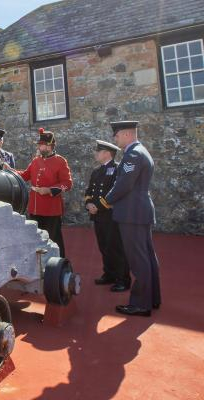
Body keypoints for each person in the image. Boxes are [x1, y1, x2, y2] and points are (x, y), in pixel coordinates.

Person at [102, 121, 161, 317]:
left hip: (132, 213)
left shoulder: (133, 154)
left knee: (138, 260)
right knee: (147, 257)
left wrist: (106, 201)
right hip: (138, 211)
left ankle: (141, 304)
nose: (115, 139)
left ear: (127, 134)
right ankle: (152, 298)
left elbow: (124, 184)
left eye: (117, 135)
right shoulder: (141, 151)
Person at [14, 128, 73, 258]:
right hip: (35, 208)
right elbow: (24, 175)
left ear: (49, 146)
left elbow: (67, 183)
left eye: (41, 144)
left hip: (51, 209)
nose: (39, 147)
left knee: (53, 240)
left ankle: (59, 266)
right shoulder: (36, 160)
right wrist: (10, 170)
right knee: (37, 240)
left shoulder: (60, 161)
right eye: (39, 144)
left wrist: (49, 190)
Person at [85, 140, 131, 292]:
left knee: (115, 247)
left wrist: (97, 206)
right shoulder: (96, 171)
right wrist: (89, 204)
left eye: (98, 151)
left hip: (111, 216)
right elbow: (89, 191)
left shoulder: (117, 170)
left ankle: (123, 279)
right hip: (98, 216)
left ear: (106, 153)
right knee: (104, 246)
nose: (95, 154)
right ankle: (109, 274)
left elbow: (116, 193)